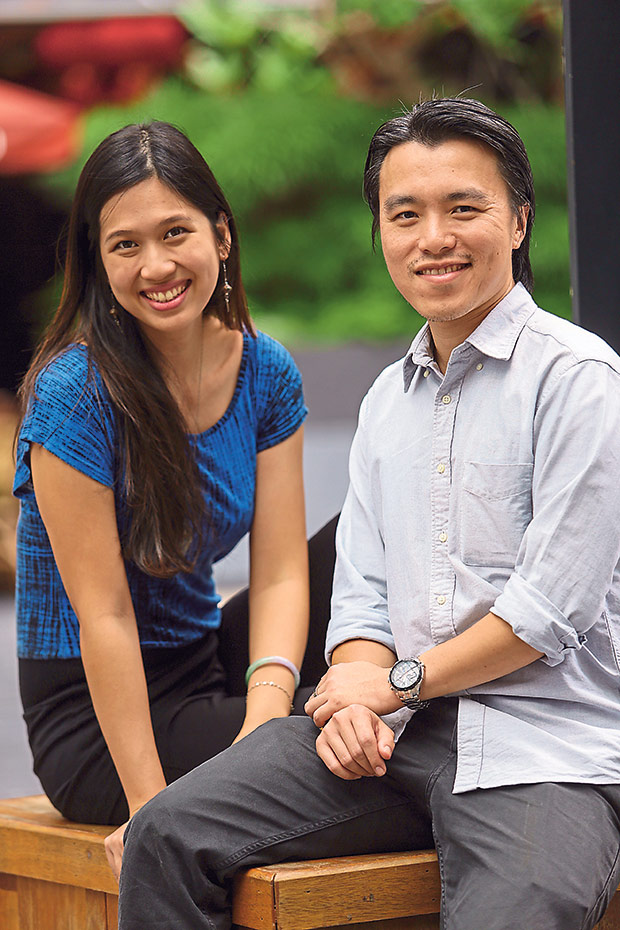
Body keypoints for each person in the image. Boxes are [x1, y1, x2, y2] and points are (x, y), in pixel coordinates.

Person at [117, 98, 620, 930]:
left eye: (465, 209)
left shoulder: (579, 381)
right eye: (406, 214)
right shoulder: (389, 400)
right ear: (381, 233)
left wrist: (390, 684)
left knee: (517, 913)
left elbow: (547, 611)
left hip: (548, 750)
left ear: (520, 220)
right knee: (163, 835)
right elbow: (363, 594)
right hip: (398, 735)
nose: (434, 238)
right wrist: (353, 698)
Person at [13, 121, 336, 863]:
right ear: (97, 261)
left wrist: (263, 711)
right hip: (97, 720)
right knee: (328, 748)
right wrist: (150, 810)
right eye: (125, 244)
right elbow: (105, 617)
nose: (154, 265)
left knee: (357, 543)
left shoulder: (263, 370)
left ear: (220, 236)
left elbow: (282, 570)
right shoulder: (75, 395)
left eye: (174, 233)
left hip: (207, 661)